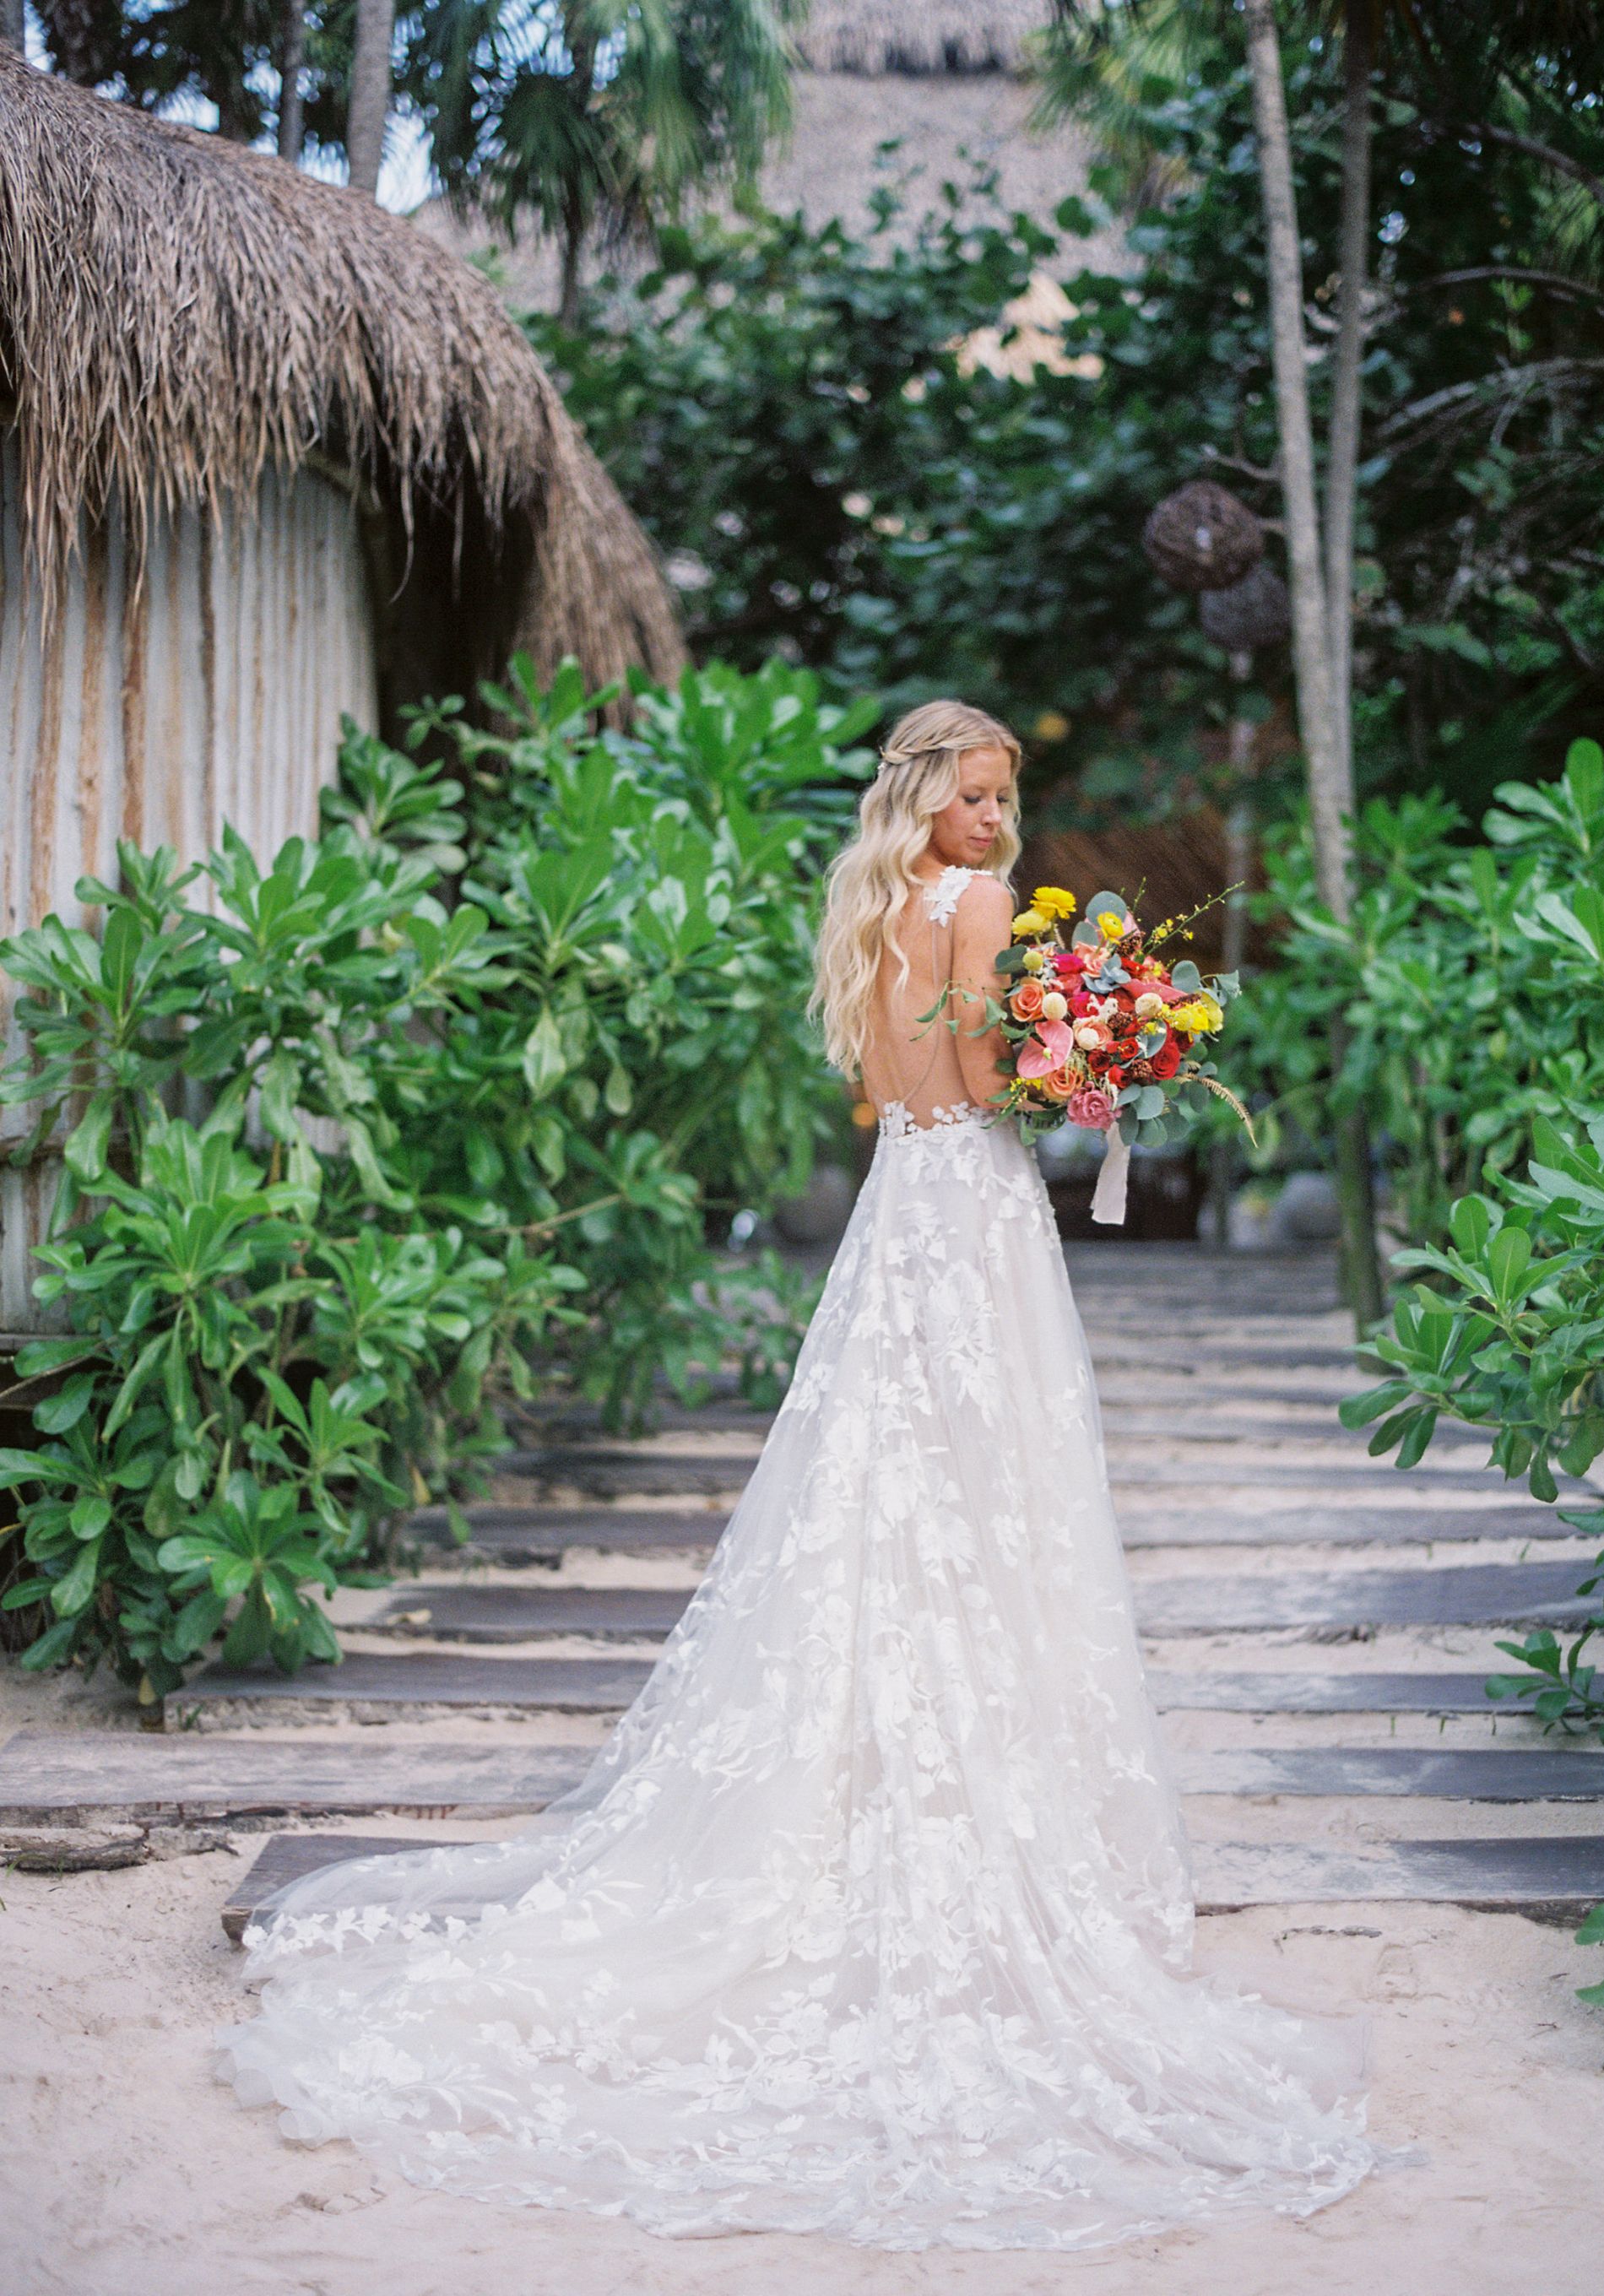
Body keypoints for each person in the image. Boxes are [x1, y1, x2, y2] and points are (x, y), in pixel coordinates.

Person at [216, 700, 1385, 2249]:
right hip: (966, 1217)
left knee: (880, 1479)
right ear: (925, 800)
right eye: (974, 801)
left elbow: (908, 1080)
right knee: (983, 1488)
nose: (995, 829)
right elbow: (982, 1092)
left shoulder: (879, 912)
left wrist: (1080, 1034)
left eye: (1003, 803)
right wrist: (1097, 1061)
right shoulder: (972, 913)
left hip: (899, 1214)